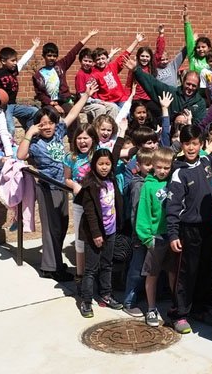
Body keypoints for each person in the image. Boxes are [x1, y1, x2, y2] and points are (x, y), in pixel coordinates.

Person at [16, 81, 97, 281]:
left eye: (50, 122)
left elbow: (71, 115)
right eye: (42, 123)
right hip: (46, 187)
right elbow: (20, 155)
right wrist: (29, 133)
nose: (47, 126)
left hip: (62, 186)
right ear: (37, 125)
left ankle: (55, 263)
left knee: (61, 225)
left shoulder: (58, 133)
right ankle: (51, 268)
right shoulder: (34, 143)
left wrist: (85, 95)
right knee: (52, 228)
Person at [166, 125, 212, 333]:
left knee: (205, 270)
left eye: (195, 143)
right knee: (186, 274)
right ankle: (179, 314)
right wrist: (173, 233)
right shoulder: (179, 172)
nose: (191, 148)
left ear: (201, 144)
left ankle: (200, 307)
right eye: (187, 143)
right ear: (182, 144)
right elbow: (173, 206)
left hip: (208, 227)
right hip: (187, 230)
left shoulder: (207, 162)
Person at [77, 148, 124, 317]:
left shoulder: (111, 181)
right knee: (91, 269)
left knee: (107, 264)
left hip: (110, 231)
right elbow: (89, 213)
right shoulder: (90, 185)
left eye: (107, 164)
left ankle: (106, 293)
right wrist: (96, 234)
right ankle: (86, 301)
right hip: (94, 234)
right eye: (100, 164)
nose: (104, 167)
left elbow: (116, 155)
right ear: (94, 165)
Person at [135, 147, 174, 327]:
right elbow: (142, 214)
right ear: (153, 166)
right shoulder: (148, 186)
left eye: (167, 167)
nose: (163, 171)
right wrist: (147, 238)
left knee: (173, 272)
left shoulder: (174, 181)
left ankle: (175, 306)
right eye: (159, 167)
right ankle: (151, 308)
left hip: (172, 236)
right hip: (155, 237)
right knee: (152, 274)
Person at [63, 122, 99, 293]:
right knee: (80, 240)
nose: (82, 141)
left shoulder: (98, 155)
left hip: (98, 204)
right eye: (79, 138)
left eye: (86, 138)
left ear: (93, 139)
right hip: (79, 203)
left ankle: (95, 274)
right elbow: (67, 178)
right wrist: (74, 185)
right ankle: (80, 274)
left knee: (97, 237)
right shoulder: (71, 158)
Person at [31, 30, 99, 116]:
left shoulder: (61, 65)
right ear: (44, 56)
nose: (52, 58)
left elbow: (74, 51)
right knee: (53, 116)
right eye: (49, 55)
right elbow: (40, 95)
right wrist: (53, 104)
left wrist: (89, 36)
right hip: (49, 104)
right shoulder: (38, 75)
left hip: (63, 101)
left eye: (54, 56)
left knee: (73, 116)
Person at [122, 146, 154, 317]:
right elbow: (135, 212)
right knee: (137, 268)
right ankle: (129, 300)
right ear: (139, 165)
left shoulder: (153, 182)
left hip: (152, 233)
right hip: (140, 234)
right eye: (146, 164)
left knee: (148, 268)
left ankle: (142, 294)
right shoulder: (138, 186)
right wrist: (138, 234)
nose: (150, 167)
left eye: (152, 164)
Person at [0, 37, 40, 134]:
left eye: (15, 60)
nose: (15, 63)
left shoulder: (14, 71)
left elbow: (23, 60)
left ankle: (29, 134)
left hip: (14, 105)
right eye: (12, 61)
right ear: (3, 61)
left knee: (34, 111)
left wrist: (34, 46)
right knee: (11, 129)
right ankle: (7, 147)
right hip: (4, 107)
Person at [91, 33, 145, 104]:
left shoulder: (112, 66)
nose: (101, 61)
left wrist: (136, 41)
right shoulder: (94, 74)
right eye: (98, 59)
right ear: (94, 61)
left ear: (107, 58)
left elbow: (125, 54)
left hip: (121, 99)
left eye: (103, 58)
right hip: (108, 103)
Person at [75, 48, 120, 120]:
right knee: (100, 108)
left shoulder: (93, 70)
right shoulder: (80, 75)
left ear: (93, 62)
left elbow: (104, 62)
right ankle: (98, 129)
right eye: (85, 61)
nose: (87, 63)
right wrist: (97, 101)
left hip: (96, 101)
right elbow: (82, 95)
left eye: (90, 61)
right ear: (80, 61)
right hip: (85, 104)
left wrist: (110, 55)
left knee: (113, 107)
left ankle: (111, 128)